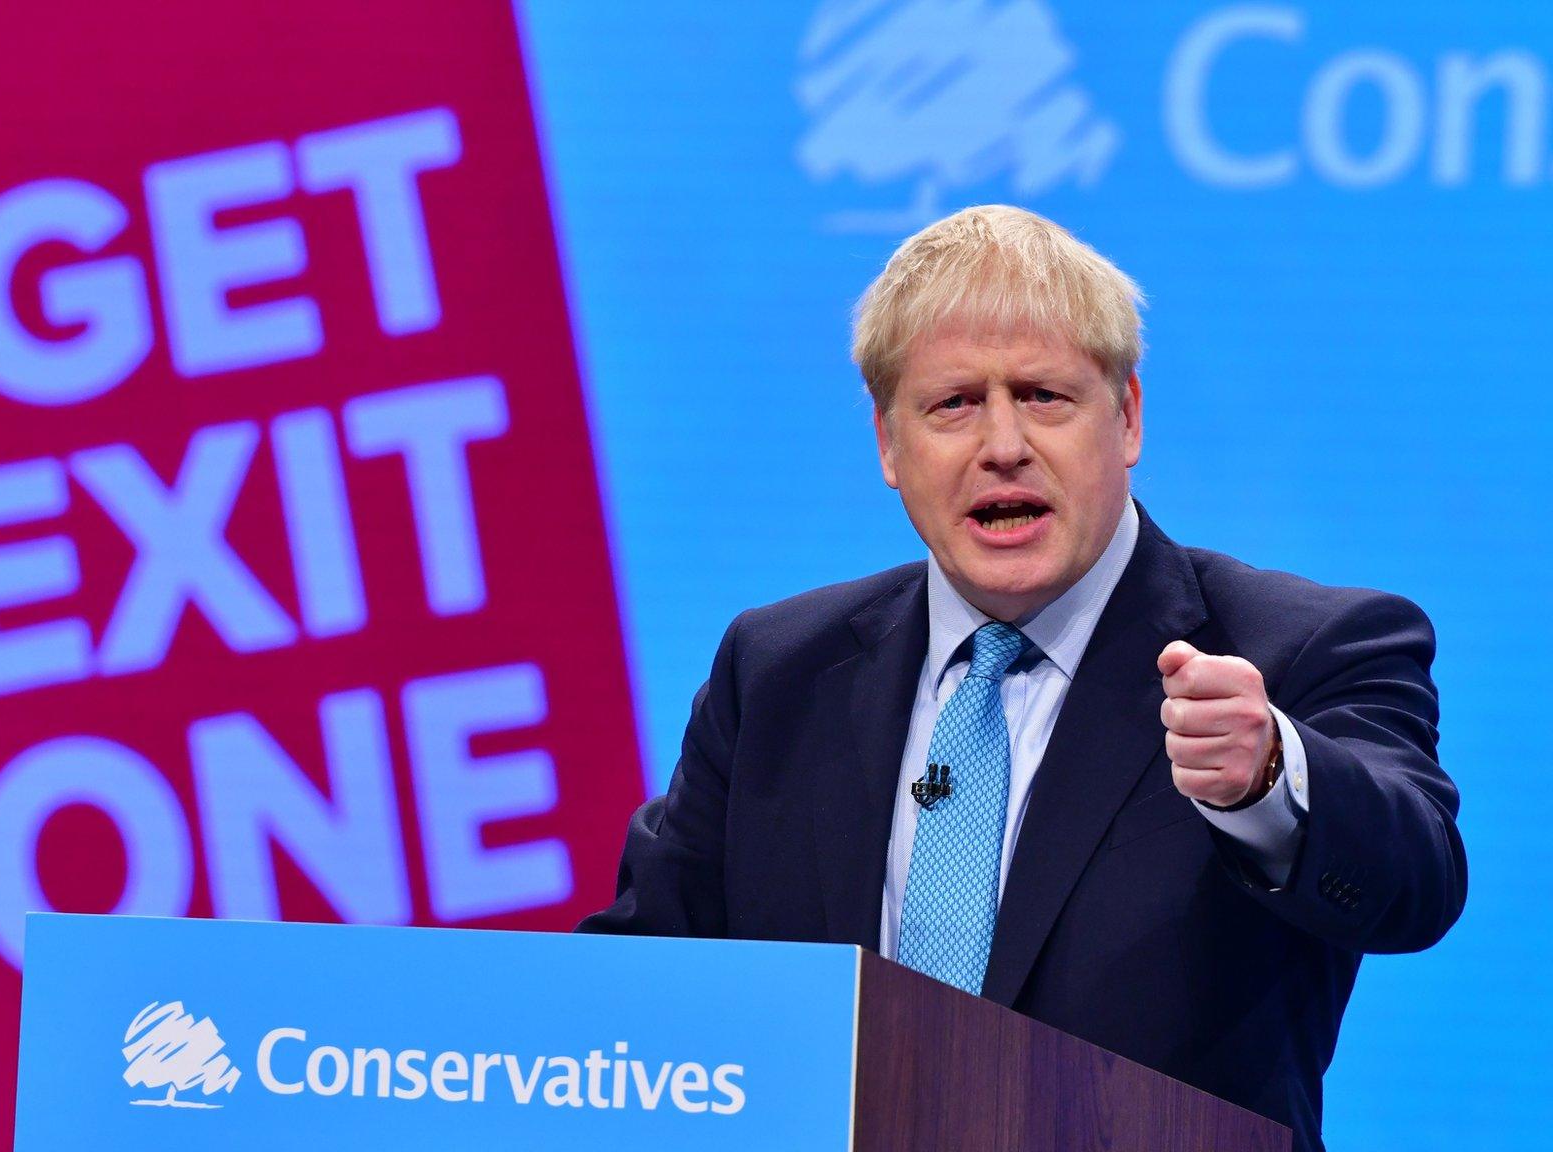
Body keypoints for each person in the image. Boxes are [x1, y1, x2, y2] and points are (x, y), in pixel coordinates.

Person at [577, 205, 1465, 1152]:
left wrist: (1269, 778)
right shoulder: (779, 671)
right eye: (953, 403)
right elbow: (643, 987)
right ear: (888, 442)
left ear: (1125, 418)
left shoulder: (1300, 648)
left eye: (1043, 396)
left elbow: (1416, 883)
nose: (1002, 444)